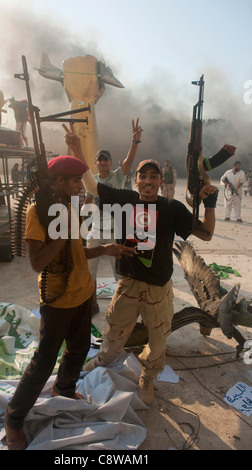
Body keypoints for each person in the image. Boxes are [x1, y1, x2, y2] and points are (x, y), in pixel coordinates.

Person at [63, 121, 236, 407]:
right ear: (136, 181)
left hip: (158, 288)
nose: (147, 181)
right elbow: (92, 185)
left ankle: (148, 378)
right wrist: (78, 149)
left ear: (160, 181)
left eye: (153, 177)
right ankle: (103, 360)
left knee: (157, 339)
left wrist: (212, 203)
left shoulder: (171, 208)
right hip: (128, 282)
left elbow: (205, 234)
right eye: (142, 176)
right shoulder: (125, 200)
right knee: (114, 330)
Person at [4, 155, 134, 450]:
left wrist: (104, 248)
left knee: (78, 347)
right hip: (58, 299)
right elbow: (37, 262)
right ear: (58, 181)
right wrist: (62, 234)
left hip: (82, 292)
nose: (80, 187)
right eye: (75, 181)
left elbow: (77, 252)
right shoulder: (39, 212)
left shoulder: (67, 208)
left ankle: (64, 389)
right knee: (44, 361)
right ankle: (13, 418)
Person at [85, 118, 142, 314]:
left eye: (105, 159)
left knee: (119, 272)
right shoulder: (92, 181)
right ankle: (92, 305)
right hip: (96, 232)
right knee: (89, 272)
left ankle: (119, 307)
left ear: (110, 162)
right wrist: (80, 225)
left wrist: (134, 142)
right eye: (99, 159)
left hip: (114, 232)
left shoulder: (118, 176)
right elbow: (87, 204)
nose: (102, 162)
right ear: (96, 163)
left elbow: (129, 161)